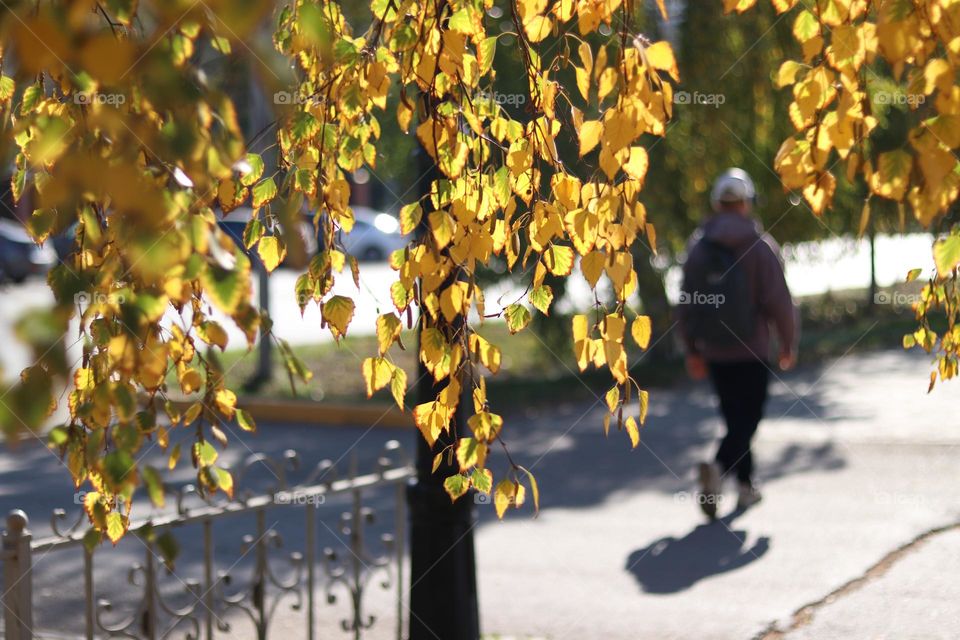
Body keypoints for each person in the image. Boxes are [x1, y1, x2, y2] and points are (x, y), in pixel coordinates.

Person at [677, 168, 798, 519]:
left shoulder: (699, 248)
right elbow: (779, 301)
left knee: (734, 418)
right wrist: (788, 343)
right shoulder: (760, 246)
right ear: (746, 203)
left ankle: (745, 487)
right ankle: (719, 467)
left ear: (717, 204)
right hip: (753, 348)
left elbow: (686, 304)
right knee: (749, 419)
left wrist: (692, 350)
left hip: (714, 349)